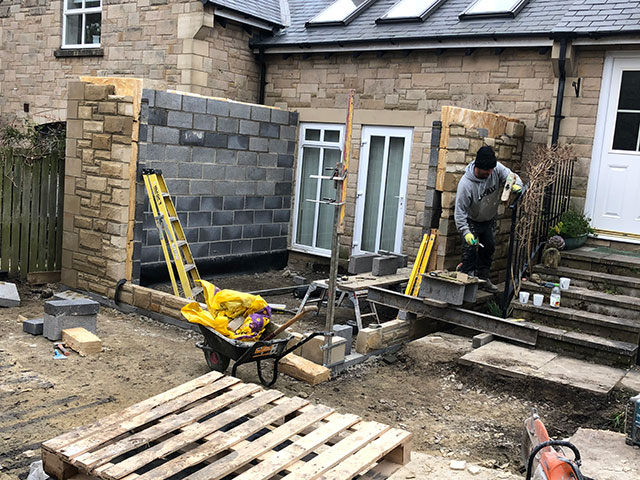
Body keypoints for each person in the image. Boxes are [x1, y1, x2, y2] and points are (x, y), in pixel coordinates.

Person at [454, 146, 522, 293]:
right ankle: (465, 283)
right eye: (487, 171)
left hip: (489, 218)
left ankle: (483, 279)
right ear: (478, 167)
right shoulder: (466, 185)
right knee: (469, 251)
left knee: (489, 248)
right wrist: (466, 232)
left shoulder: (496, 169)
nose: (490, 173)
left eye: (491, 170)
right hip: (472, 220)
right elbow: (460, 213)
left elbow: (512, 177)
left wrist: (516, 186)